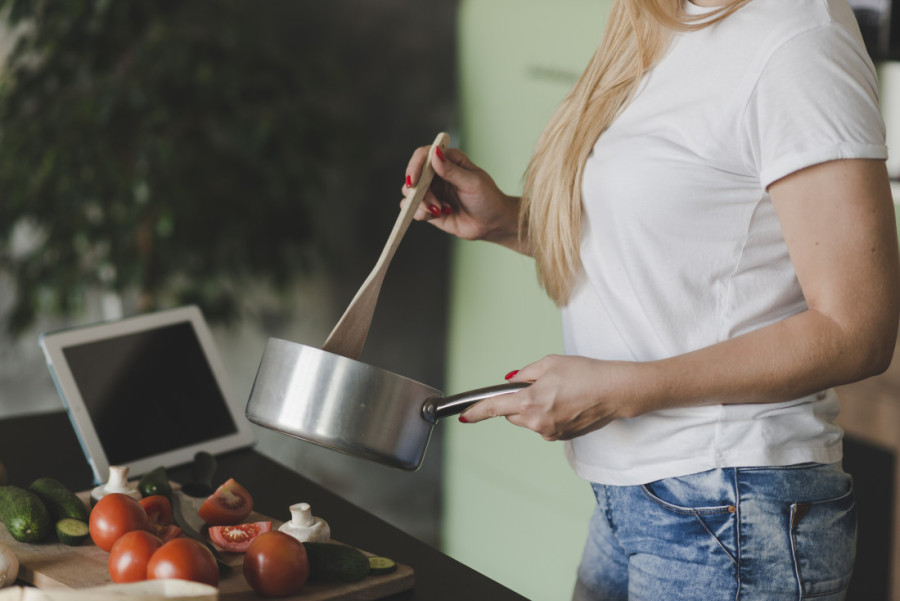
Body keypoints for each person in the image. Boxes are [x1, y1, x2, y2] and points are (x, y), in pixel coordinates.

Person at [401, 0, 900, 599]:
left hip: (733, 507)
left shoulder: (797, 35)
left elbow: (857, 331)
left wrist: (624, 389)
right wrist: (508, 220)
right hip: (637, 499)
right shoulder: (661, 16)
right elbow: (678, 248)